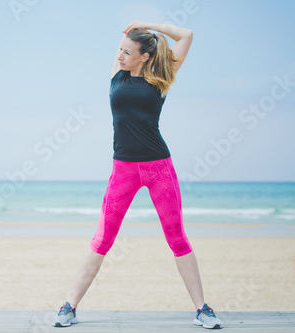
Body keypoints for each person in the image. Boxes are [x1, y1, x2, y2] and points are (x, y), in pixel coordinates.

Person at [52, 20, 223, 330]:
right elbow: (122, 48)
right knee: (102, 238)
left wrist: (148, 25)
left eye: (128, 52)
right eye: (120, 49)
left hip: (159, 168)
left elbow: (187, 35)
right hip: (123, 169)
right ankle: (69, 306)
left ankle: (202, 309)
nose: (120, 55)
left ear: (144, 56)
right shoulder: (116, 75)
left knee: (177, 239)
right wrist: (130, 36)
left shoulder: (161, 78)